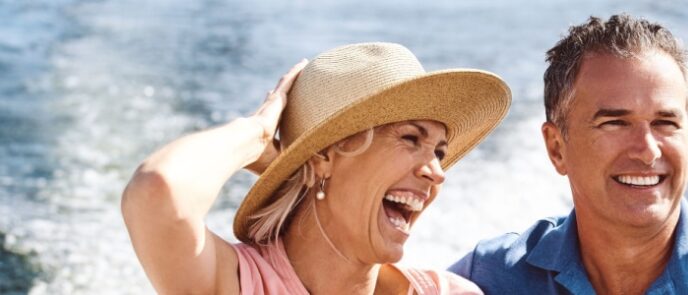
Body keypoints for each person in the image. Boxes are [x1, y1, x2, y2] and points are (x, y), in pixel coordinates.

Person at [449, 15, 688, 294]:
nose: (647, 151)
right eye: (614, 123)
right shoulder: (487, 276)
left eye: (666, 123)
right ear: (556, 148)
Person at [122, 43, 511, 294]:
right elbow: (157, 191)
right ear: (324, 156)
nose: (437, 172)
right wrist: (256, 134)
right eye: (410, 139)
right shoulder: (236, 283)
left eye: (439, 153)